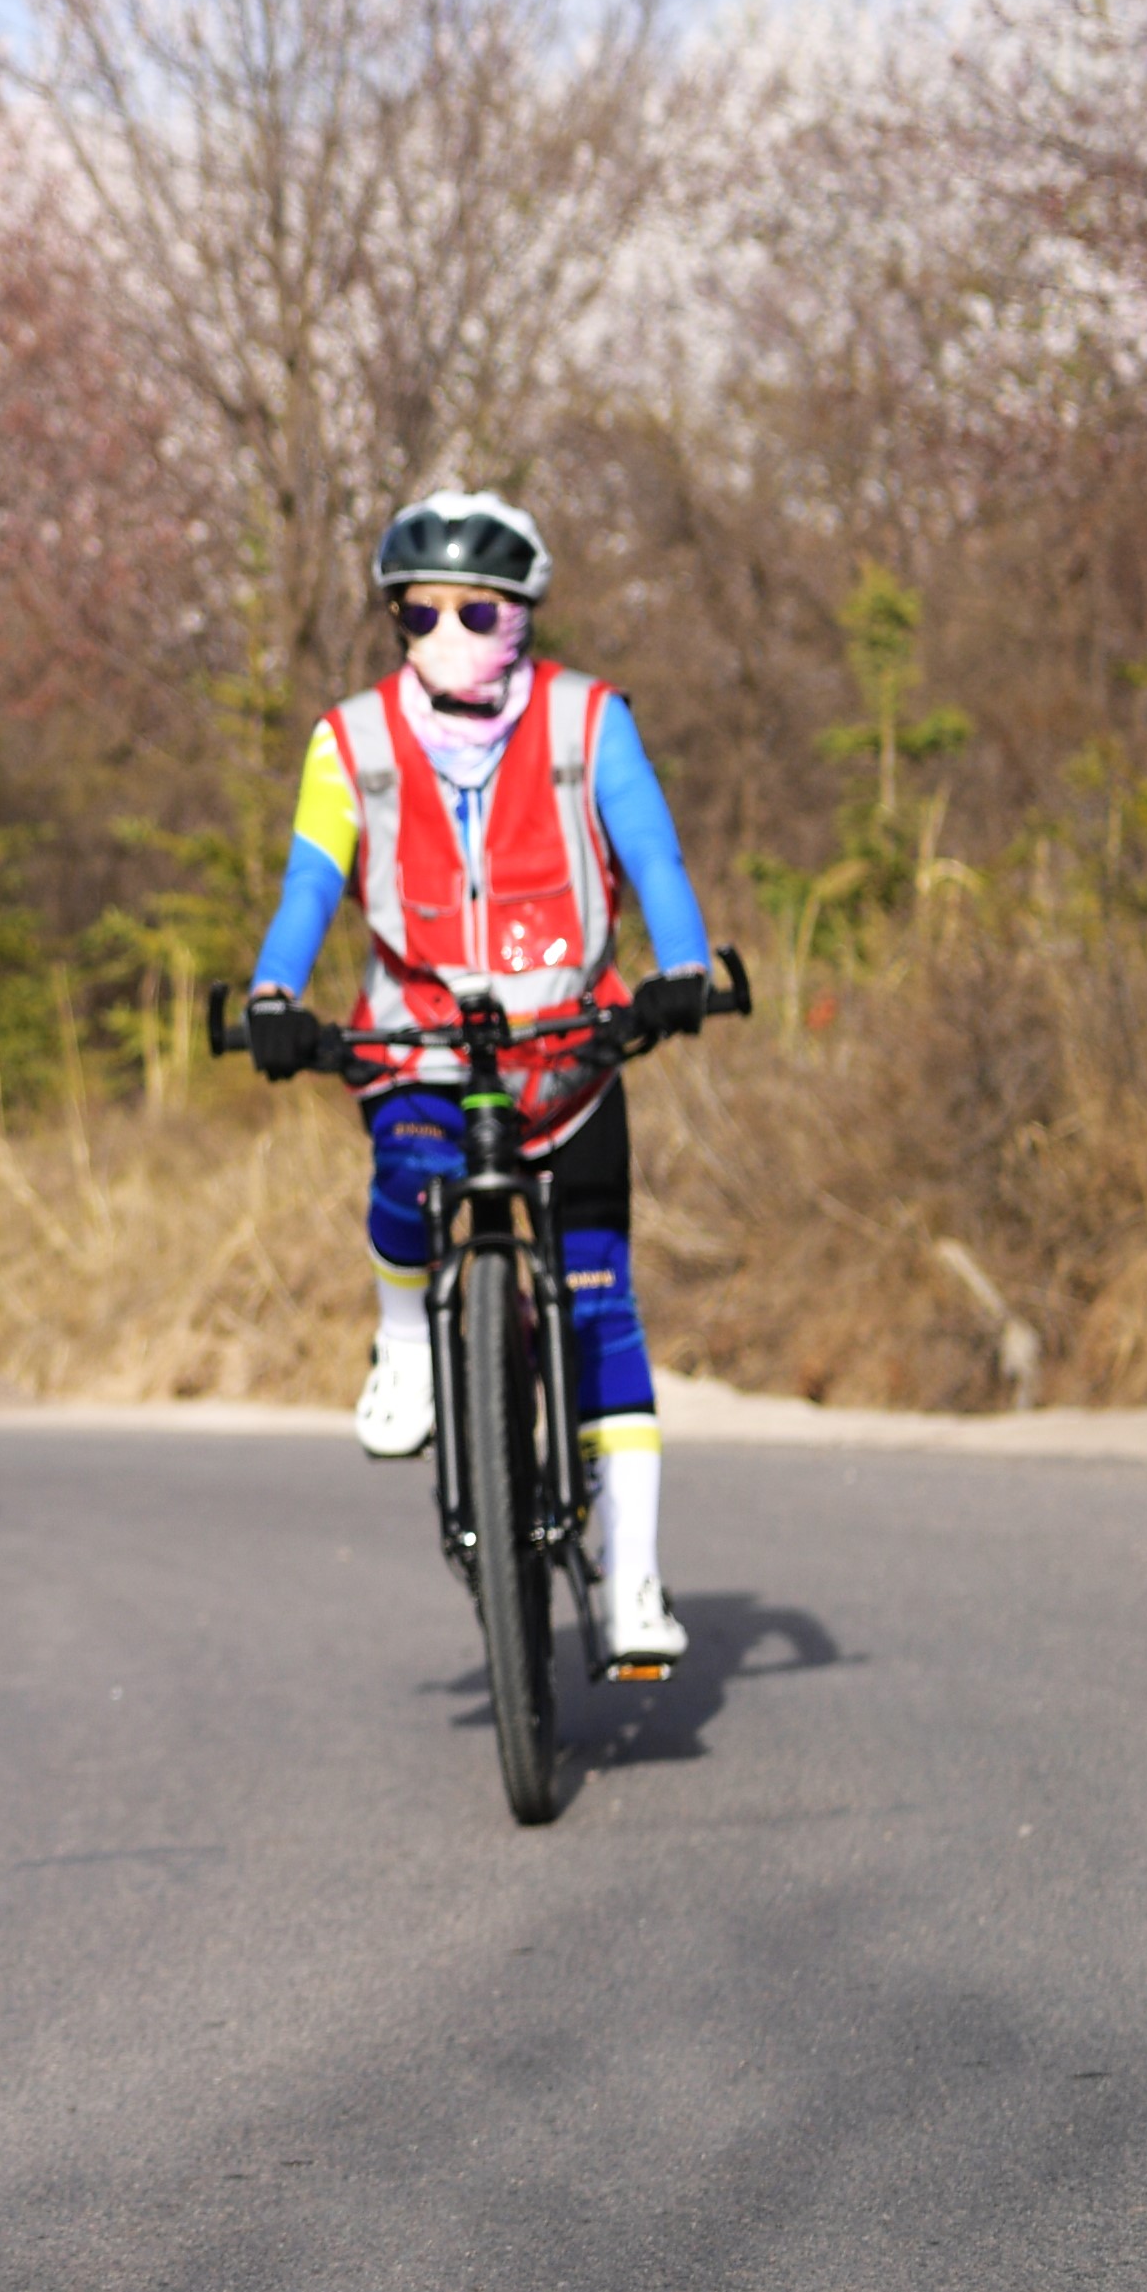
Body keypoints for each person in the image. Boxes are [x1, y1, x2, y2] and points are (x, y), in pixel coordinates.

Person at [238, 490, 716, 1668]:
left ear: (523, 615)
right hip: (419, 1046)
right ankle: (404, 1337)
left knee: (600, 1301)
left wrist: (688, 967)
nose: (446, 632)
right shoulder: (345, 741)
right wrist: (268, 996)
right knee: (407, 1176)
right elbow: (309, 882)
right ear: (392, 618)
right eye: (418, 612)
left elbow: (649, 850)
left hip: (569, 1052)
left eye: (477, 612)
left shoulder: (588, 721)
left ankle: (634, 1585)